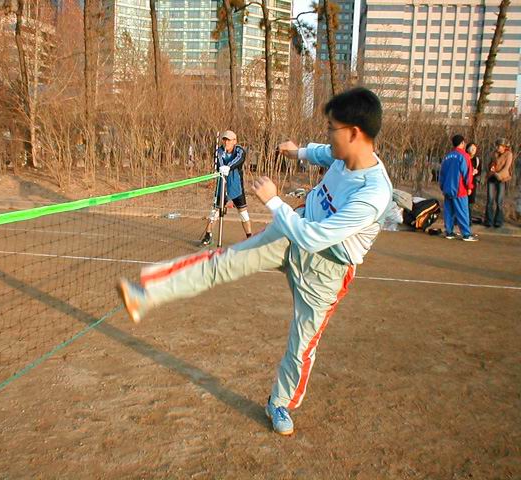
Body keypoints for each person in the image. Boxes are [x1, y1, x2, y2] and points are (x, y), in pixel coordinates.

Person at [117, 87, 393, 436]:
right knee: (224, 261)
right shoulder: (343, 156)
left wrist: (274, 201)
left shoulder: (373, 193)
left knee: (301, 346)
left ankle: (280, 403)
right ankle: (146, 294)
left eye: (331, 128)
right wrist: (298, 151)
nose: (327, 134)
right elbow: (324, 153)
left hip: (326, 269)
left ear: (354, 133)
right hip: (290, 232)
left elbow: (315, 237)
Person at [200, 130, 252, 245]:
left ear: (234, 141)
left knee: (243, 214)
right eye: (224, 140)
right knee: (214, 212)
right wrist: (222, 166)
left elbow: (239, 159)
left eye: (229, 140)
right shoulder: (219, 151)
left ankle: (250, 237)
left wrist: (228, 166)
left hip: (236, 186)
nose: (226, 142)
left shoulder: (239, 150)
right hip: (222, 185)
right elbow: (219, 162)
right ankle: (208, 235)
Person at [439, 135, 477, 241]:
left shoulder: (447, 156)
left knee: (449, 211)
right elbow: (467, 173)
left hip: (447, 188)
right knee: (462, 212)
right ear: (462, 143)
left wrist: (442, 186)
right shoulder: (464, 156)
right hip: (459, 189)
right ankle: (466, 234)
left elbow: (442, 173)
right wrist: (469, 186)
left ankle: (449, 232)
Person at [484, 138, 514, 228]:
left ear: (504, 147)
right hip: (491, 178)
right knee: (490, 200)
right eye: (497, 145)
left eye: (499, 146)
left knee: (499, 201)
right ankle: (488, 220)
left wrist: (498, 174)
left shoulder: (509, 154)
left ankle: (498, 221)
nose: (497, 147)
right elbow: (488, 164)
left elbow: (506, 167)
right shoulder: (493, 153)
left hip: (501, 178)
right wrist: (490, 169)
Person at [465, 142, 481, 224]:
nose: (473, 150)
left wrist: (476, 172)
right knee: (463, 201)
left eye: (475, 148)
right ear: (467, 149)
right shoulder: (464, 158)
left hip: (473, 182)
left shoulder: (477, 160)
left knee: (470, 202)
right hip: (464, 182)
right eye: (471, 148)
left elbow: (479, 171)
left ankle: (469, 219)